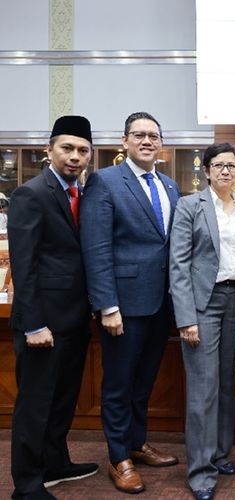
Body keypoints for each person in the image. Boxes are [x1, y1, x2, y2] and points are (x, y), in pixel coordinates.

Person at [80, 111, 180, 494]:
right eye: (138, 135)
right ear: (124, 142)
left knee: (144, 381)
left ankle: (136, 443)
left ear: (161, 144)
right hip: (122, 305)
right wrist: (106, 305)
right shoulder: (105, 182)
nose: (146, 141)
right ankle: (118, 456)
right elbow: (97, 248)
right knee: (119, 384)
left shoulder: (170, 186)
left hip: (160, 305)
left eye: (153, 135)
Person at [8, 116, 98, 500]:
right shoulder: (32, 194)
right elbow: (23, 265)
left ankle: (56, 462)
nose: (74, 157)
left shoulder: (81, 193)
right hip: (42, 323)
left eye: (82, 151)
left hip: (74, 319)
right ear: (49, 151)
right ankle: (27, 484)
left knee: (63, 399)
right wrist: (33, 325)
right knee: (35, 404)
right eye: (67, 148)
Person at [169, 143, 235, 500]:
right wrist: (186, 318)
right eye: (218, 165)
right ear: (207, 170)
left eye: (231, 165)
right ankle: (200, 472)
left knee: (226, 383)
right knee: (203, 388)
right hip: (204, 303)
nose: (225, 171)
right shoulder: (190, 206)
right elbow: (179, 265)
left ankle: (219, 454)